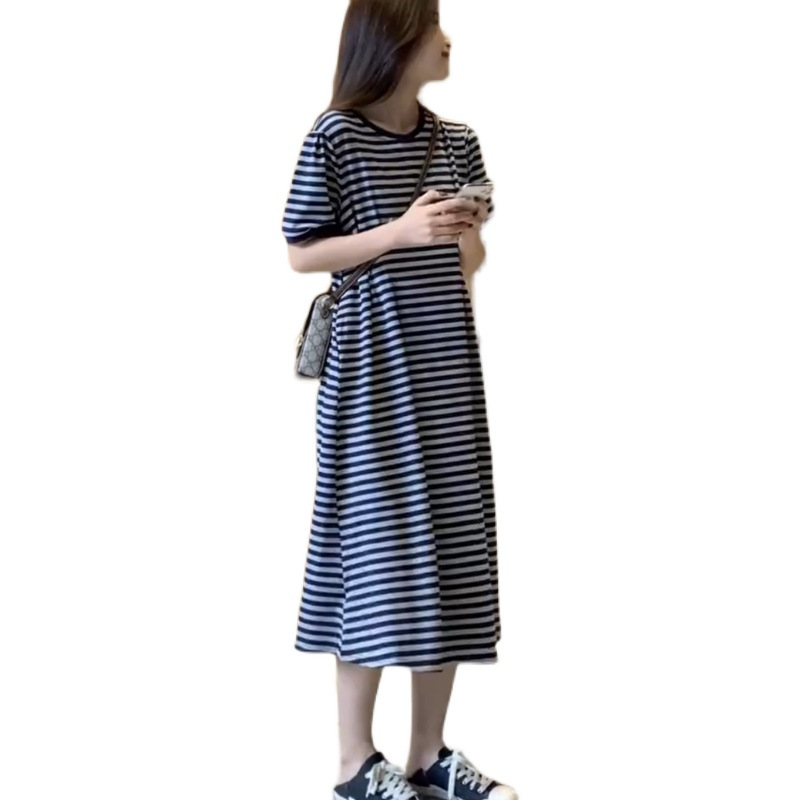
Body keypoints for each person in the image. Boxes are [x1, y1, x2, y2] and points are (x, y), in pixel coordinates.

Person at [281, 2, 514, 798]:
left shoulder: (459, 141)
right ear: (394, 41)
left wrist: (465, 232)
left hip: (447, 373)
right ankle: (354, 763)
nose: (447, 39)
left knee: (450, 552)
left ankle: (426, 756)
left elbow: (469, 263)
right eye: (432, 25)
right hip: (371, 379)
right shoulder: (334, 138)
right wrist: (400, 232)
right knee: (374, 557)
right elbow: (301, 251)